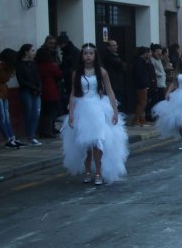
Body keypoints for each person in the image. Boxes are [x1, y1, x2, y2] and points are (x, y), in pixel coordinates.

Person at [61, 43, 128, 185]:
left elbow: (109, 91)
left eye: (91, 53)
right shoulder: (76, 73)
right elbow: (73, 93)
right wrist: (71, 113)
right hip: (82, 108)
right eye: (85, 53)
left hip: (98, 108)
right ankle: (87, 171)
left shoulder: (102, 72)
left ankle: (98, 172)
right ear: (82, 55)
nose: (88, 56)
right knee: (85, 144)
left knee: (97, 141)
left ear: (95, 55)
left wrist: (114, 111)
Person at [16, 44, 42, 146]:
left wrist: (39, 88)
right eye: (32, 50)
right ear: (26, 52)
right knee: (29, 112)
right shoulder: (19, 64)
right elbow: (21, 80)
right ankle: (30, 136)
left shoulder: (33, 63)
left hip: (36, 91)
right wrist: (32, 87)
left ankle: (32, 135)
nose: (33, 52)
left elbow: (37, 77)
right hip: (26, 91)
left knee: (36, 113)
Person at [36, 47, 63, 138]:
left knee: (44, 112)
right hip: (51, 91)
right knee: (51, 112)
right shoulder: (50, 65)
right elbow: (59, 74)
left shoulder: (37, 65)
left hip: (41, 91)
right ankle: (49, 130)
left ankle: (43, 130)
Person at [102, 39, 127, 110]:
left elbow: (124, 66)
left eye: (116, 45)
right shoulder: (107, 57)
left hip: (119, 83)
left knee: (119, 103)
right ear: (108, 47)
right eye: (113, 46)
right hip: (112, 83)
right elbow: (121, 65)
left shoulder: (116, 56)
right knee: (113, 103)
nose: (115, 47)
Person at [131, 47, 151, 127]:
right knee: (142, 103)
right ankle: (136, 120)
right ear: (144, 53)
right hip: (141, 86)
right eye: (148, 53)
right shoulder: (139, 62)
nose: (149, 54)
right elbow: (141, 75)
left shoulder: (142, 61)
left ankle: (142, 120)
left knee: (144, 102)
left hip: (142, 85)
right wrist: (145, 85)